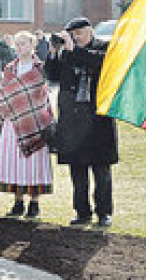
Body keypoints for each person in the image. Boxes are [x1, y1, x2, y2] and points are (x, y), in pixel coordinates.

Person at [46, 16, 117, 228]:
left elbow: (99, 62)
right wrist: (54, 53)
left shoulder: (104, 47)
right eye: (72, 35)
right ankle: (82, 212)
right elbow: (52, 75)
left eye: (78, 34)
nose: (75, 38)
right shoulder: (67, 52)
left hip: (98, 119)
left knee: (101, 170)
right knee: (78, 170)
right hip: (73, 121)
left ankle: (104, 213)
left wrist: (72, 50)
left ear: (89, 31)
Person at [0, 31, 55, 220]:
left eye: (24, 44)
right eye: (17, 45)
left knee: (34, 163)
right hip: (12, 121)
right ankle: (18, 202)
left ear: (32, 45)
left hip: (35, 121)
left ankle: (34, 203)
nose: (20, 48)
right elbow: (5, 95)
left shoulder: (40, 68)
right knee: (14, 162)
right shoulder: (10, 69)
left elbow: (43, 96)